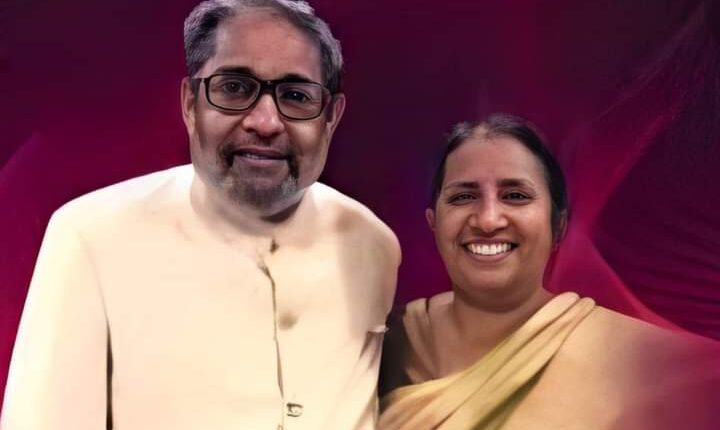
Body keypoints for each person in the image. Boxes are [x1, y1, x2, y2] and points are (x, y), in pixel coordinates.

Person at [1, 1, 400, 429]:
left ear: (332, 117)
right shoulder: (91, 236)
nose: (266, 122)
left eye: (296, 96)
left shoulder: (373, 244)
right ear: (191, 104)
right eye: (235, 88)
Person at [378, 113, 720, 430]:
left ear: (558, 226)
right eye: (463, 197)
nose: (488, 220)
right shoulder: (384, 340)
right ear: (433, 223)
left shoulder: (648, 363)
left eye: (515, 195)